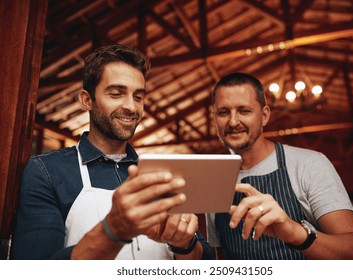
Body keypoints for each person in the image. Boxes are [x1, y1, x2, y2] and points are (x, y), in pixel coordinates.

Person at [12, 44, 212, 260]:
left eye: (138, 96)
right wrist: (114, 230)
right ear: (87, 100)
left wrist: (184, 244)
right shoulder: (47, 172)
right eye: (116, 93)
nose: (132, 107)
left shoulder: (162, 174)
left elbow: (205, 262)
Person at [206, 72, 353, 259]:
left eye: (244, 111)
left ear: (264, 116)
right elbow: (221, 260)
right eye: (223, 112)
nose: (233, 121)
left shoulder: (310, 165)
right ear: (214, 118)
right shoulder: (214, 181)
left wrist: (295, 232)